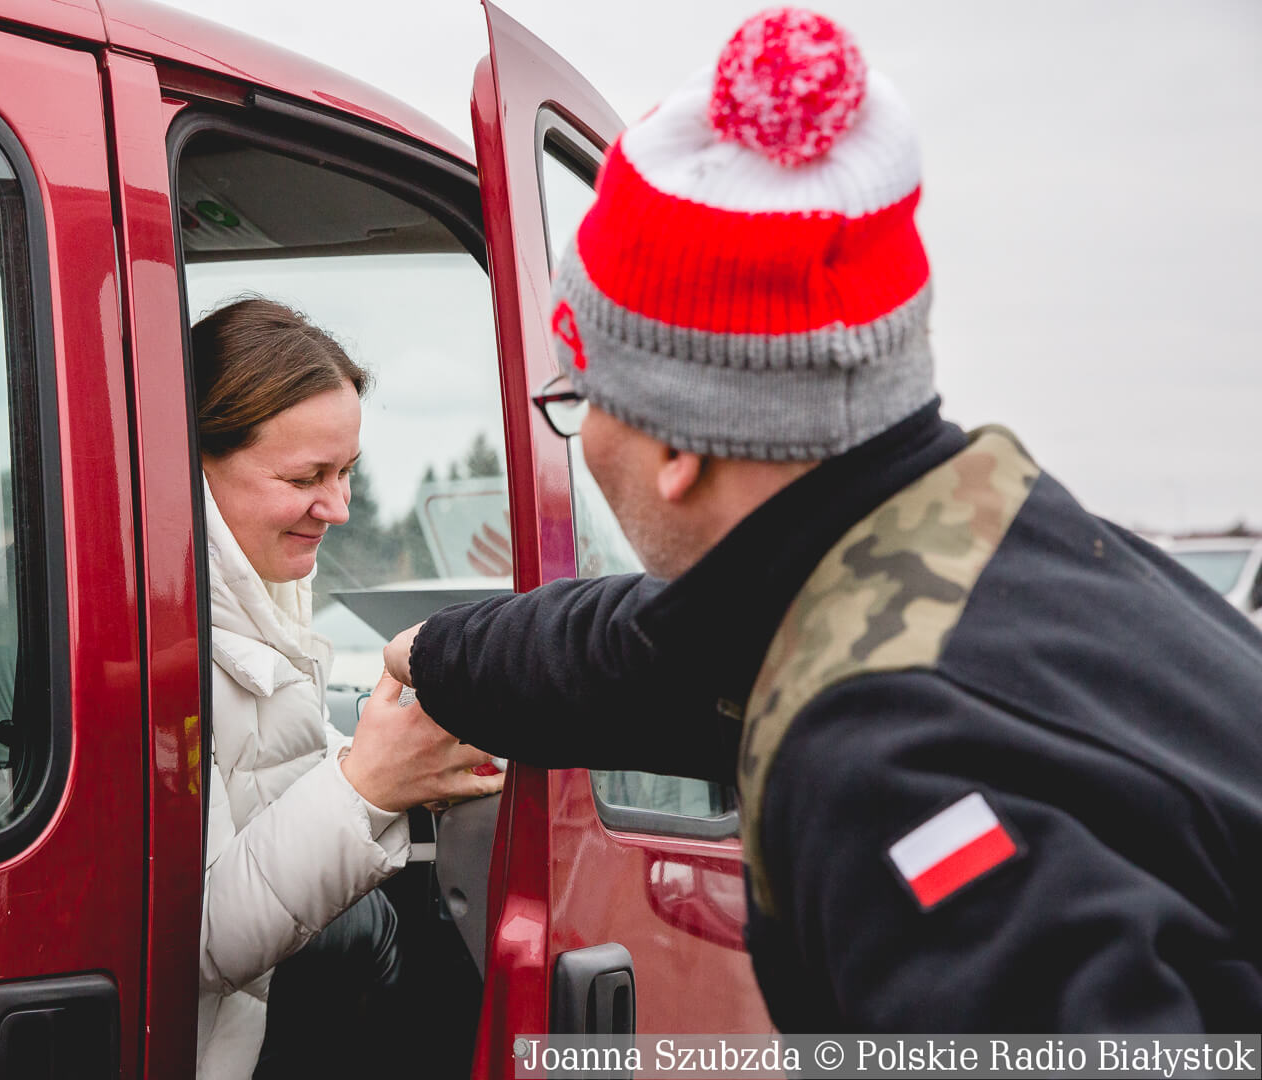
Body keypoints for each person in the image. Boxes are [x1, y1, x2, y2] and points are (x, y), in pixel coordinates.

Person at [382, 8, 1262, 1032]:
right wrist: (430, 654)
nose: (581, 433)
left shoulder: (881, 761)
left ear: (679, 444)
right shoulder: (982, 535)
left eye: (578, 398)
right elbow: (643, 653)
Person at [190, 298, 502, 1079]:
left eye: (347, 471)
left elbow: (270, 766)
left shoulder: (260, 596)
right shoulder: (155, 643)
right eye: (307, 477)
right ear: (191, 462)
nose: (340, 508)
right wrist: (368, 786)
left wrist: (413, 765)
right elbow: (196, 940)